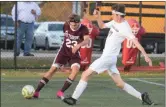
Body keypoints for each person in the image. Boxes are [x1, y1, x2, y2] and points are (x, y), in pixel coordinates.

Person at [63, 4, 154, 106]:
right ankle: (142, 96)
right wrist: (98, 17)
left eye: (113, 13)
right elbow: (102, 26)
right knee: (120, 84)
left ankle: (73, 99)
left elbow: (136, 42)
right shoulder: (115, 21)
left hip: (107, 58)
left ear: (119, 15)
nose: (112, 15)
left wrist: (146, 55)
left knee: (85, 74)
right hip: (110, 59)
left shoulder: (125, 27)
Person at [33, 14, 90, 99]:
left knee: (75, 71)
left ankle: (61, 92)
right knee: (52, 70)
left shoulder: (83, 28)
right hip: (63, 52)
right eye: (72, 24)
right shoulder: (66, 25)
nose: (74, 26)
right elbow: (66, 38)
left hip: (74, 54)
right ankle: (36, 91)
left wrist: (78, 45)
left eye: (76, 25)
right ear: (69, 23)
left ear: (79, 23)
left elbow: (87, 40)